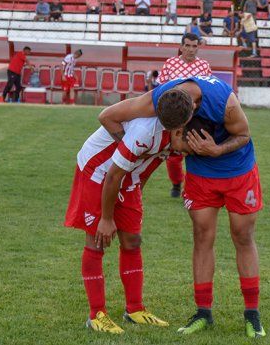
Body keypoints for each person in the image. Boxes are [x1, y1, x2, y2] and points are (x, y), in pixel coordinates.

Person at [97, 75, 267, 339]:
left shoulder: (225, 103)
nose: (173, 135)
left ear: (193, 111)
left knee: (242, 236)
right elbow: (108, 115)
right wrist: (131, 152)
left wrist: (218, 150)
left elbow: (244, 134)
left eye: (178, 129)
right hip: (200, 173)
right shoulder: (158, 99)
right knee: (202, 236)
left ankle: (252, 314)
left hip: (237, 170)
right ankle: (203, 312)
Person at [65, 92, 197, 334]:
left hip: (128, 175)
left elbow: (146, 165)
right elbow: (113, 174)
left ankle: (134, 309)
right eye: (188, 149)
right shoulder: (144, 132)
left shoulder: (180, 130)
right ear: (178, 130)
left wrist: (135, 195)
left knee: (133, 239)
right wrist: (106, 219)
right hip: (98, 170)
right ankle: (96, 315)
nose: (187, 153)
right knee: (98, 240)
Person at [157, 34, 213, 198]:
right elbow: (161, 87)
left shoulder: (204, 65)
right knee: (174, 153)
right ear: (181, 47)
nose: (190, 49)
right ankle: (176, 183)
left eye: (194, 46)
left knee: (195, 152)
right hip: (175, 114)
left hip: (197, 115)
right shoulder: (170, 63)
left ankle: (190, 189)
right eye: (187, 46)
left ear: (198, 47)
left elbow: (209, 90)